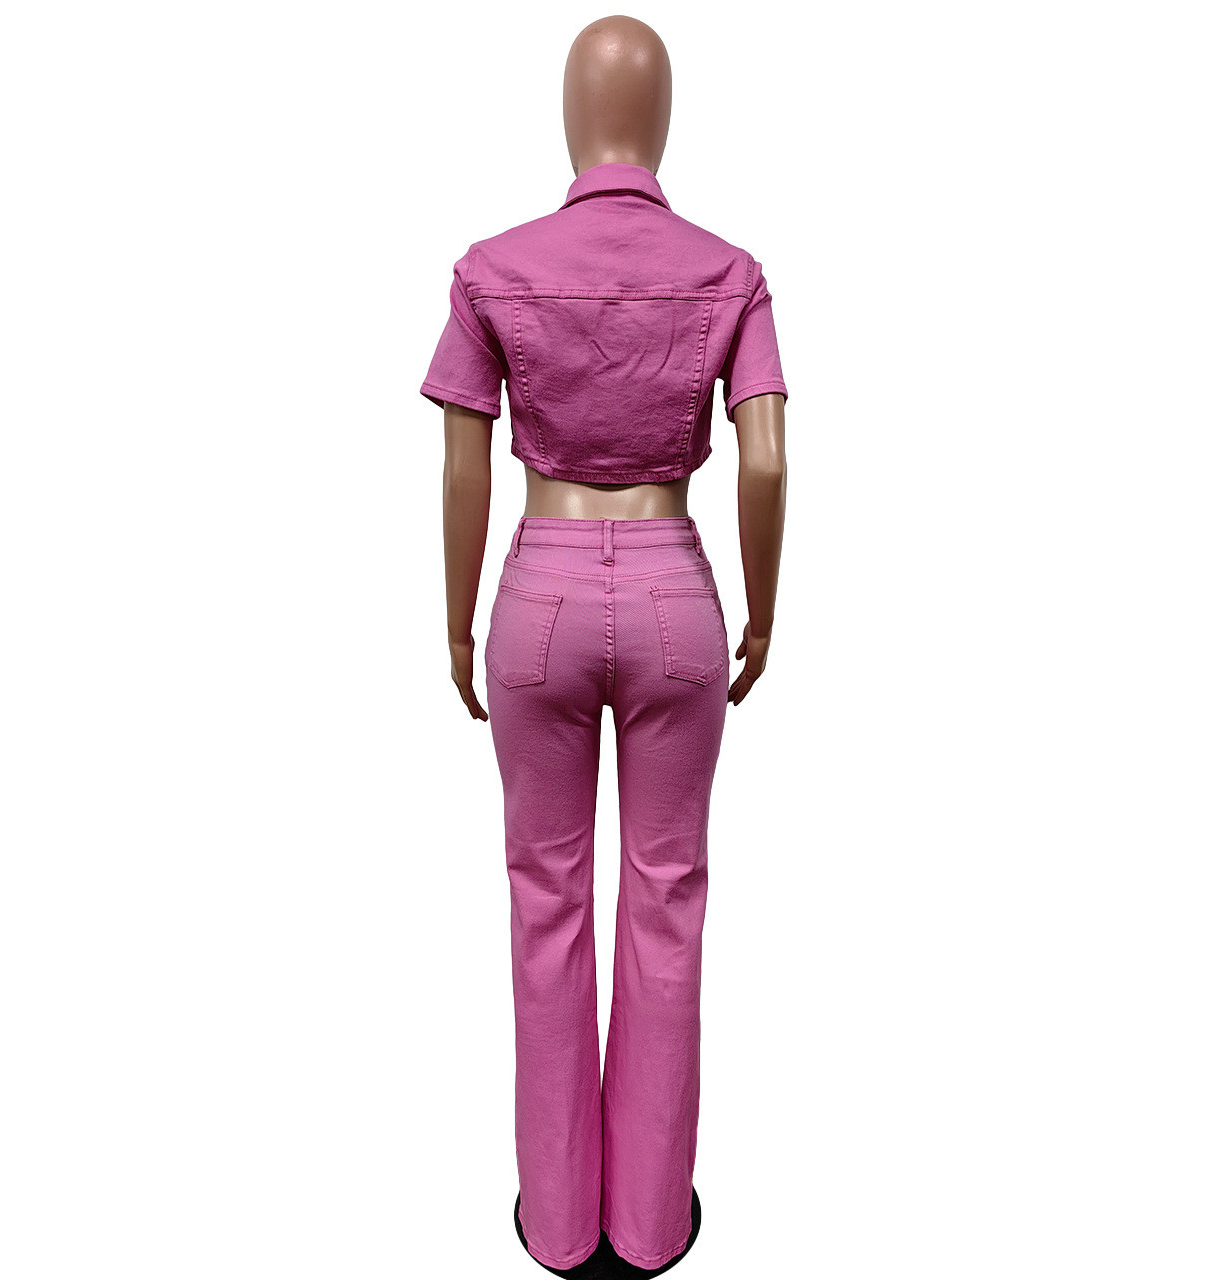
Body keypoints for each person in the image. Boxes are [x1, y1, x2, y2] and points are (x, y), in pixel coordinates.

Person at [420, 16, 788, 1277]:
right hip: (679, 589)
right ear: (659, 122)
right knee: (667, 894)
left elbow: (462, 459)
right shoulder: (729, 271)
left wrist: (455, 619)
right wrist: (763, 608)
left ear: (571, 121)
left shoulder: (490, 267)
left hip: (540, 595)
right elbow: (767, 456)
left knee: (545, 895)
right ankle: (649, 1222)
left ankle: (560, 1217)